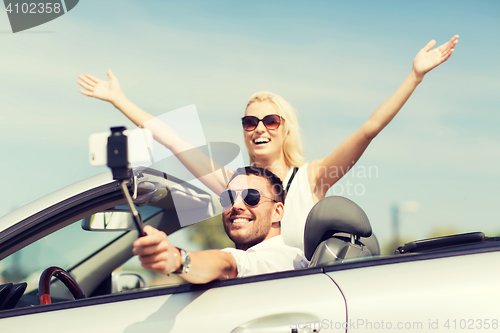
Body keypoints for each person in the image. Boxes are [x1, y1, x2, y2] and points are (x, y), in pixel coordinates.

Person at [78, 35, 459, 251]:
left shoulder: (313, 178)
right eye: (249, 121)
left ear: (285, 128)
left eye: (270, 120)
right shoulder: (234, 185)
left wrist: (415, 76)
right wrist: (119, 99)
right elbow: (173, 140)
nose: (259, 128)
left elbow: (368, 129)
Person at [132, 166, 308, 283]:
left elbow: (228, 264)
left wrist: (178, 259)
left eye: (251, 197)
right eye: (228, 198)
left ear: (277, 212)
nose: (236, 205)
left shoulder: (283, 258)